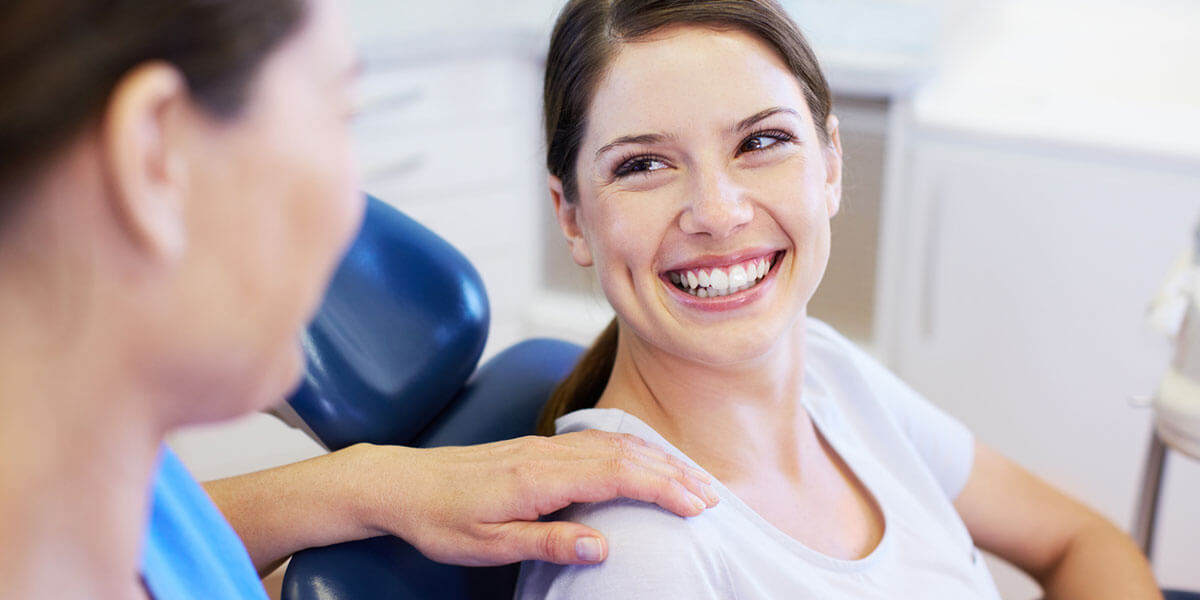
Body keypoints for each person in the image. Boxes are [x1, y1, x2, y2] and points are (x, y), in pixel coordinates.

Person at [0, 1, 720, 598]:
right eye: (337, 117)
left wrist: (367, 486)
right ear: (156, 157)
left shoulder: (111, 476)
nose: (355, 213)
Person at [516, 0, 1161, 598]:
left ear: (829, 167)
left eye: (761, 142)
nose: (717, 212)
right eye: (643, 165)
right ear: (571, 217)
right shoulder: (641, 560)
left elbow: (1080, 541)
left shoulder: (829, 375)